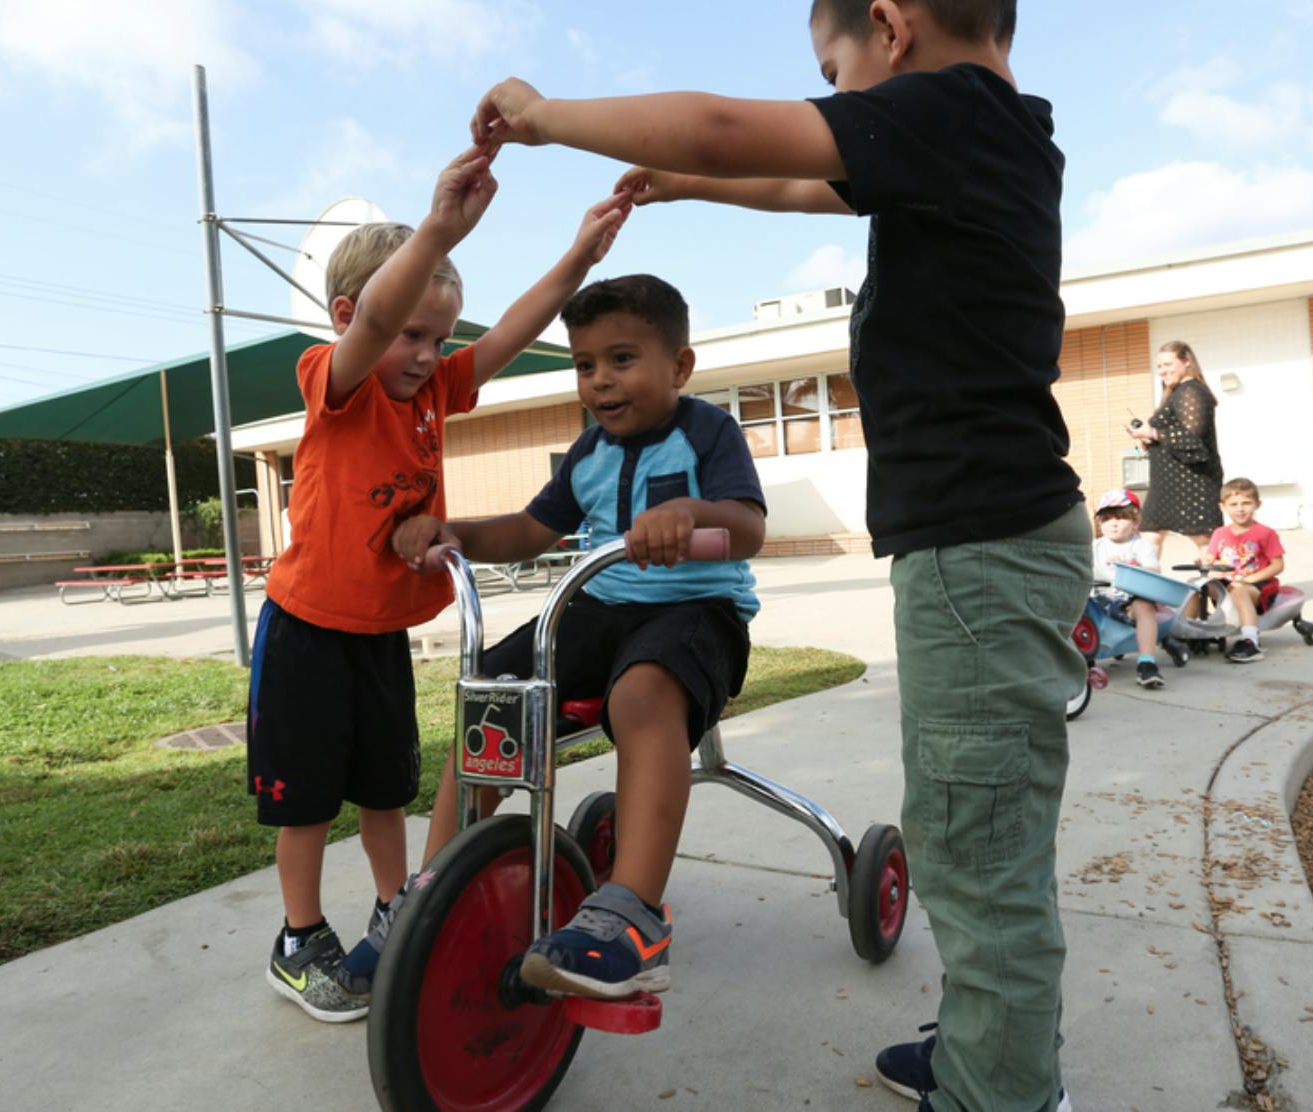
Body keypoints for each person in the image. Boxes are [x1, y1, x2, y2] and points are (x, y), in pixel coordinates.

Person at [465, 2, 1087, 1108]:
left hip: (981, 546)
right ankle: (989, 1045)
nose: (834, 97)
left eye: (828, 71)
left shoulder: (948, 111)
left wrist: (547, 114)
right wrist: (686, 186)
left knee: (974, 845)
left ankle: (1002, 1089)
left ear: (889, 28)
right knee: (967, 823)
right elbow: (793, 180)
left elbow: (718, 125)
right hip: (977, 545)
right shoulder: (985, 131)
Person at [248, 146, 632, 1024]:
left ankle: (399, 911)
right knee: (305, 802)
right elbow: (379, 319)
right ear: (352, 319)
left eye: (437, 339)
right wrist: (436, 229)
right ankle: (299, 939)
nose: (426, 356)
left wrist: (578, 258)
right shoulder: (335, 380)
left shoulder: (431, 393)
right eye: (409, 336)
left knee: (386, 790)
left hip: (378, 634)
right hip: (307, 629)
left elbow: (505, 335)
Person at [384, 274, 767, 1000]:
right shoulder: (588, 451)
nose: (600, 381)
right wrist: (453, 530)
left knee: (644, 693)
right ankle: (430, 897)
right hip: (596, 609)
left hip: (695, 612)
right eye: (584, 364)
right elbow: (531, 530)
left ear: (679, 367)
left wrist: (690, 513)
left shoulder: (707, 432)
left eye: (622, 359)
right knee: (490, 698)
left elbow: (748, 528)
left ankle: (634, 918)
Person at [1128, 340, 1224, 562]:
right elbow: (1173, 434)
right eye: (1159, 366)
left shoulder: (1192, 391)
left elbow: (1192, 438)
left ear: (1187, 362)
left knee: (1203, 540)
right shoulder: (1177, 392)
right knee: (1150, 535)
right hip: (1167, 483)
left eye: (1168, 364)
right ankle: (1147, 594)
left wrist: (1153, 433)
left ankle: (1218, 592)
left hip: (1193, 481)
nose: (1163, 371)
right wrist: (1150, 440)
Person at [1203, 477, 1284, 663]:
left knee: (1239, 590)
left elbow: (1278, 565)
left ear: (1257, 504)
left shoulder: (1265, 533)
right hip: (1228, 582)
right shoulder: (1219, 533)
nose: (1240, 508)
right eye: (1234, 504)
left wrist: (1250, 579)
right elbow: (1210, 558)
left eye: (1246, 503)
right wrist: (1205, 563)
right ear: (1223, 507)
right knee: (1195, 585)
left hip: (1256, 585)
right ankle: (1192, 630)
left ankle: (1250, 641)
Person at [1090, 490, 1165, 689]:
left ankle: (1146, 663)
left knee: (1145, 607)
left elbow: (1153, 570)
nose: (1113, 523)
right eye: (1106, 519)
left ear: (1135, 522)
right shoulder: (1094, 547)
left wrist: (1129, 566)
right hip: (1098, 599)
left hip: (1128, 600)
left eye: (1121, 518)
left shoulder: (1140, 546)